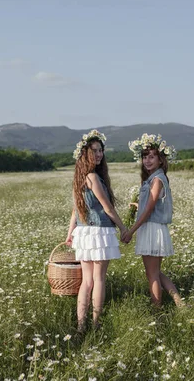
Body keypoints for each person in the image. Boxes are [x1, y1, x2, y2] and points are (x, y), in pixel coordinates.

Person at [65, 130, 127, 333]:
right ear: (85, 153)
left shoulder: (79, 177)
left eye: (101, 150)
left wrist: (70, 232)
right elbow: (107, 208)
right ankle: (95, 323)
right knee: (98, 279)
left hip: (84, 233)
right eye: (94, 151)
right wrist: (124, 228)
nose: (99, 154)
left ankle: (81, 325)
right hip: (98, 232)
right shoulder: (93, 176)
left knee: (87, 281)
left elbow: (76, 209)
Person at [122, 134, 184, 308]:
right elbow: (150, 204)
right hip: (152, 227)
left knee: (152, 274)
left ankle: (157, 309)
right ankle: (179, 302)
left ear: (160, 159)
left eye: (151, 157)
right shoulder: (153, 179)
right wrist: (137, 204)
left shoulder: (157, 180)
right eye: (144, 157)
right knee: (156, 272)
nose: (147, 161)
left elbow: (149, 209)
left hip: (151, 229)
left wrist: (131, 231)